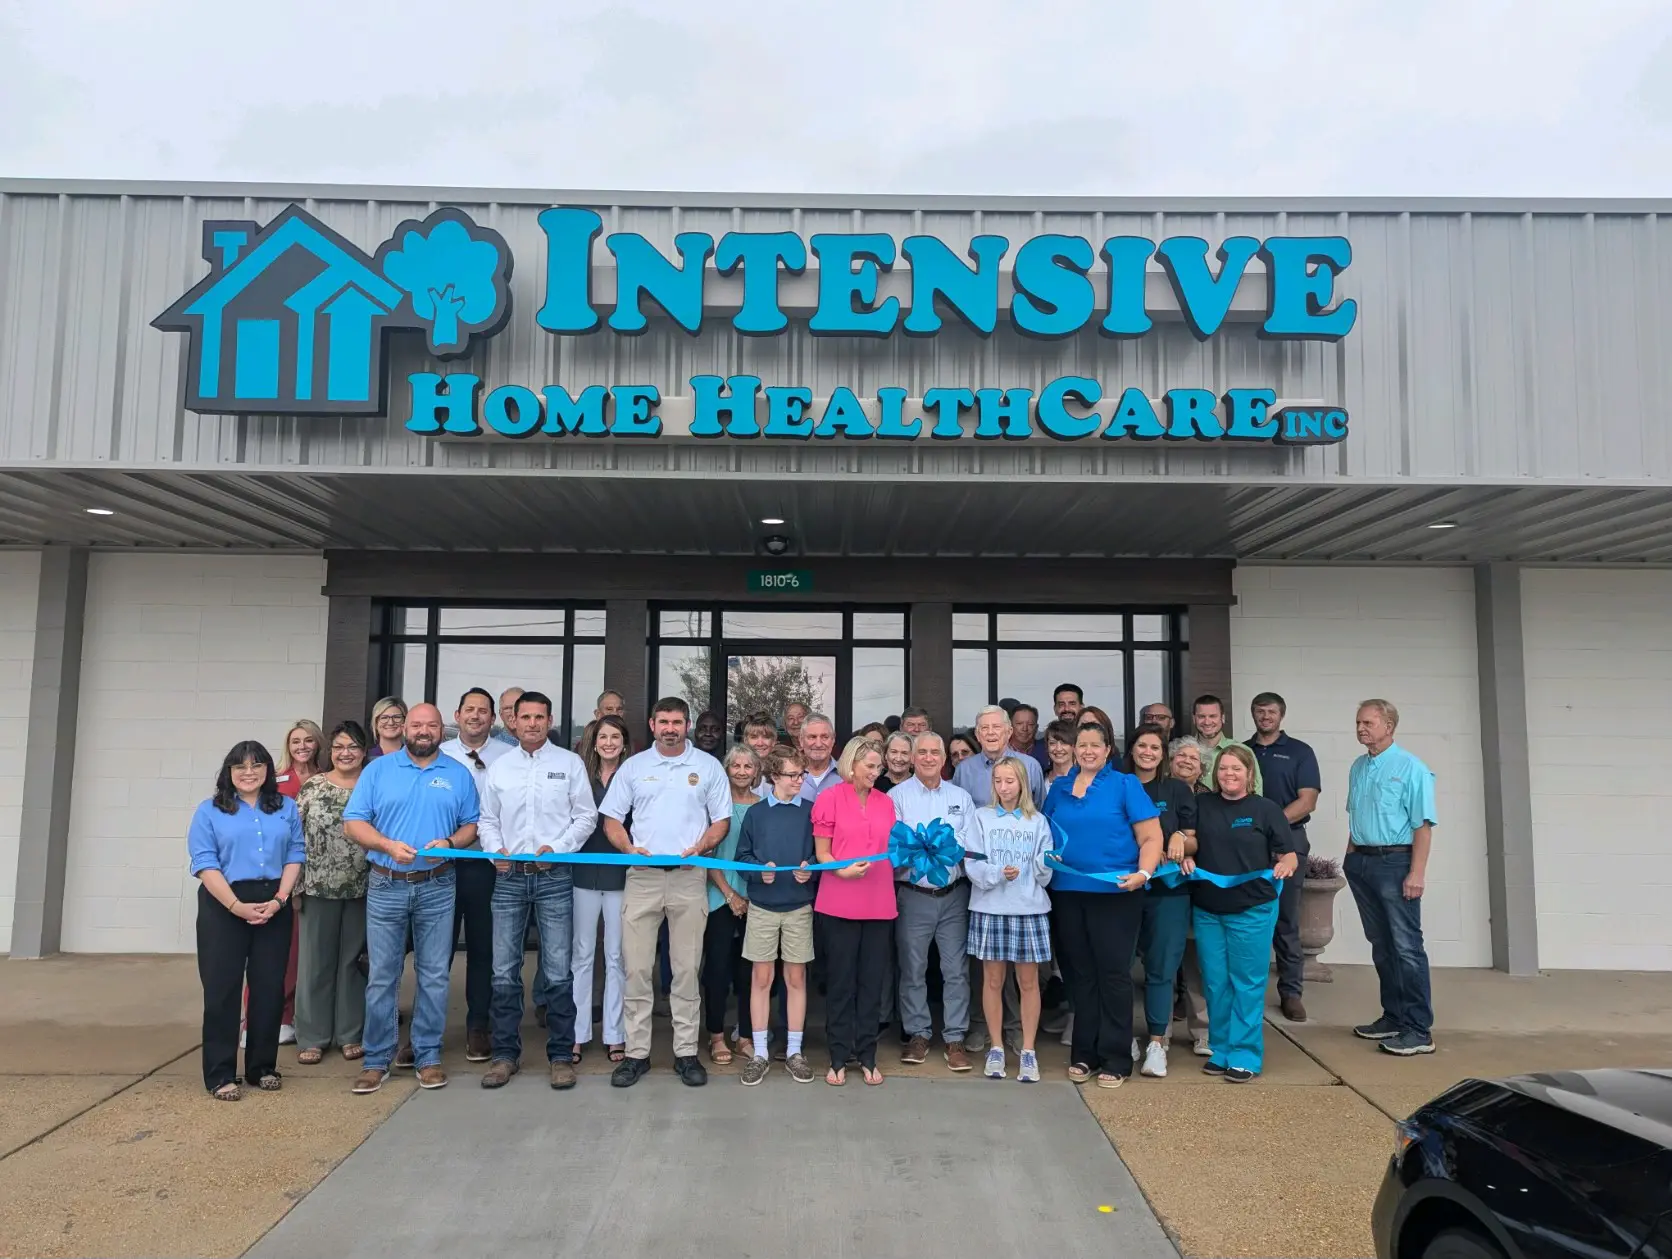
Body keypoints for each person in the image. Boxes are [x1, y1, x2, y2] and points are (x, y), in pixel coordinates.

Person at [343, 703, 480, 1095]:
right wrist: (385, 844)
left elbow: (472, 824)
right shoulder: (378, 771)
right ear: (405, 728)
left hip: (438, 884)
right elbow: (354, 823)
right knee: (383, 976)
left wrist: (452, 842)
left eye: (431, 725)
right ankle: (376, 1060)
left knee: (435, 974)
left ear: (442, 730)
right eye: (417, 724)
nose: (424, 731)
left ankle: (428, 1055)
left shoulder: (457, 774)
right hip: (386, 883)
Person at [602, 697, 732, 1089]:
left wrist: (703, 846)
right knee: (638, 969)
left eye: (678, 722)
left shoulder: (707, 767)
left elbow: (721, 820)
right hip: (642, 877)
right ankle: (637, 1055)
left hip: (690, 876)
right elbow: (611, 818)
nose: (671, 728)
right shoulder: (635, 767)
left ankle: (686, 1053)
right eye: (664, 722)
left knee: (686, 969)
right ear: (652, 724)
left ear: (687, 724)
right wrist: (627, 848)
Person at [476, 691, 595, 1091]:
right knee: (504, 971)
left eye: (538, 717)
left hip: (554, 876)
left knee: (559, 970)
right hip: (508, 878)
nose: (531, 723)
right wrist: (496, 852)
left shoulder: (570, 763)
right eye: (524, 717)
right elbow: (487, 819)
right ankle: (504, 1056)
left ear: (549, 720)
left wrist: (557, 849)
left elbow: (585, 817)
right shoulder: (500, 767)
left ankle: (561, 1057)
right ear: (513, 721)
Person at [1043, 721, 1163, 1088]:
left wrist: (1143, 874)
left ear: (1108, 749)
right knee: (1080, 974)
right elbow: (1045, 834)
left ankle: (1116, 1056)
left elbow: (1151, 836)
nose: (1089, 750)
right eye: (1083, 744)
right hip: (1067, 893)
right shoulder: (1060, 788)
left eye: (1096, 744)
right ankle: (1084, 1053)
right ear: (1074, 749)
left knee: (1112, 974)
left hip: (1116, 894)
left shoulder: (1124, 784)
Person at [189, 741, 304, 1100]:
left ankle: (262, 1066)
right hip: (224, 904)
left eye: (256, 765)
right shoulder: (209, 811)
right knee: (222, 990)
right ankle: (221, 1074)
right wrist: (236, 906)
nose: (248, 772)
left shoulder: (285, 807)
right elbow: (205, 863)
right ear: (229, 772)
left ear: (268, 770)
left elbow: (295, 853)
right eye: (240, 766)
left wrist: (280, 899)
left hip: (274, 901)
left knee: (269, 988)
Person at [1181, 744, 1298, 1082]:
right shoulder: (1202, 805)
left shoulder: (1266, 809)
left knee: (1246, 983)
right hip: (1208, 911)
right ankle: (1220, 1049)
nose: (1228, 774)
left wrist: (1286, 864)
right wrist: (1186, 856)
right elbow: (1189, 842)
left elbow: (1286, 854)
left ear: (1249, 774)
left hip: (1252, 910)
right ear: (1214, 773)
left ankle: (1245, 1054)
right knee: (1216, 984)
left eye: (1236, 768)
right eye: (1223, 768)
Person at [1345, 699, 1437, 1057]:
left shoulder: (1411, 768)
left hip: (1396, 863)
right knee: (1381, 943)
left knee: (1406, 947)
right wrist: (1350, 857)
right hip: (1363, 863)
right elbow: (1356, 815)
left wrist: (1417, 873)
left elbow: (1423, 827)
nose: (1361, 729)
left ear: (1389, 725)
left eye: (1368, 722)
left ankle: (1418, 1029)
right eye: (1358, 723)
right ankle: (1393, 1016)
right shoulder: (1358, 766)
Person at [888, 732, 976, 1073]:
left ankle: (955, 1038)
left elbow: (967, 841)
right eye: (921, 752)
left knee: (955, 971)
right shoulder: (896, 797)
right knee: (912, 970)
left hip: (954, 897)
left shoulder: (961, 797)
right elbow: (895, 845)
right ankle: (919, 1034)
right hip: (913, 897)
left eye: (934, 752)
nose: (927, 758)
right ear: (911, 758)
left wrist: (940, 846)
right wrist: (923, 848)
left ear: (944, 758)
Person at [813, 736, 898, 1086]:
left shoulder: (886, 803)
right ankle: (837, 1056)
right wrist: (841, 870)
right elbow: (822, 853)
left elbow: (895, 848)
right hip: (838, 901)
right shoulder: (829, 798)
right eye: (870, 766)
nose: (876, 773)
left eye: (879, 767)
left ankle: (867, 1054)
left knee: (872, 983)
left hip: (879, 903)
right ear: (851, 764)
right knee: (840, 983)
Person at [965, 756, 1055, 1083]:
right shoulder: (981, 817)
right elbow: (972, 865)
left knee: (1028, 982)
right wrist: (997, 874)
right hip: (990, 908)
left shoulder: (1038, 822)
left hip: (1029, 910)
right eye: (998, 781)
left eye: (1010, 781)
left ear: (1023, 784)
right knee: (992, 981)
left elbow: (1044, 875)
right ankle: (997, 1047)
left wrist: (1048, 864)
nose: (1004, 788)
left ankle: (1028, 1050)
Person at [735, 745, 818, 1085]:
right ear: (773, 777)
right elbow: (743, 858)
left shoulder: (810, 811)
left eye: (801, 774)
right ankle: (759, 1053)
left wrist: (810, 869)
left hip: (798, 905)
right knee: (761, 979)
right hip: (762, 907)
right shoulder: (756, 814)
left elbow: (820, 854)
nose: (799, 780)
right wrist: (758, 872)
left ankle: (795, 1051)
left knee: (796, 979)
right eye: (792, 775)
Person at [440, 687, 512, 1063]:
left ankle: (478, 1026)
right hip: (442, 866)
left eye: (483, 711)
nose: (476, 716)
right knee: (437, 952)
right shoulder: (439, 755)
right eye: (469, 710)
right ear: (457, 714)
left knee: (484, 950)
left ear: (493, 720)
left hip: (487, 866)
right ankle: (428, 1030)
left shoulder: (508, 756)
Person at [294, 721, 371, 1066]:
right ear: (331, 751)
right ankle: (312, 1036)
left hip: (364, 888)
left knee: (353, 963)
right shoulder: (313, 787)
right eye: (339, 746)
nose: (345, 753)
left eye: (352, 746)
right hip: (317, 887)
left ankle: (350, 1033)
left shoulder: (373, 786)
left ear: (364, 751)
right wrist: (294, 888)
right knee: (316, 964)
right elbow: (294, 839)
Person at [1125, 724, 1197, 1079]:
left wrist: (1182, 837)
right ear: (1132, 749)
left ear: (1163, 754)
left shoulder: (1177, 789)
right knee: (1119, 968)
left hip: (1168, 892)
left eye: (1155, 747)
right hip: (1123, 890)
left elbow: (1195, 838)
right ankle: (1123, 1037)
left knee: (1161, 969)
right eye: (1142, 745)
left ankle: (1157, 1042)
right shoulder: (1118, 785)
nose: (1148, 752)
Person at [1248, 691, 1322, 1023]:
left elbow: (1307, 801)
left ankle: (1291, 993)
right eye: (1260, 711)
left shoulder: (1299, 752)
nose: (1265, 717)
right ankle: (1247, 993)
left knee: (1286, 919)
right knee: (1247, 918)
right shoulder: (1243, 751)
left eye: (1271, 712)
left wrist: (1272, 824)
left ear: (1282, 716)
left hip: (1287, 842)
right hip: (1247, 843)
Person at [572, 714, 631, 1064]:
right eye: (603, 737)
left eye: (615, 737)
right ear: (594, 742)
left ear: (624, 742)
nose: (609, 742)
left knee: (616, 956)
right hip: (583, 872)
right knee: (582, 955)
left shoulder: (635, 775)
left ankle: (615, 1034)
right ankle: (577, 1034)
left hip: (622, 874)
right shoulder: (580, 776)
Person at [703, 745, 759, 1065]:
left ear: (756, 771)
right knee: (717, 970)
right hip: (719, 897)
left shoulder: (764, 807)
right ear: (726, 769)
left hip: (754, 901)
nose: (740, 771)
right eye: (735, 765)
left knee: (748, 971)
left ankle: (746, 1035)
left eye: (747, 766)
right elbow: (707, 855)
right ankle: (716, 1035)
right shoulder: (715, 807)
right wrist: (729, 894)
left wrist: (748, 896)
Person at [270, 718, 325, 1045]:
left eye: (308, 740)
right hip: (284, 872)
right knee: (280, 951)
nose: (302, 747)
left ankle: (302, 1016)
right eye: (295, 742)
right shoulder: (274, 781)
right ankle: (270, 1016)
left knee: (308, 952)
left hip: (319, 874)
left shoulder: (327, 779)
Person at [956, 706, 1045, 805]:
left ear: (1009, 732)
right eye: (984, 728)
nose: (990, 732)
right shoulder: (963, 770)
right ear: (977, 735)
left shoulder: (1030, 766)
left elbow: (1039, 809)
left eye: (996, 727)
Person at [1192, 694, 1262, 795]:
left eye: (1213, 716)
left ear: (1223, 718)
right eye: (1201, 716)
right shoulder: (1184, 751)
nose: (1207, 722)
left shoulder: (1242, 750)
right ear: (1194, 719)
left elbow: (1256, 792)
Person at [796, 711, 842, 802]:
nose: (818, 744)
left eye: (825, 737)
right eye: (812, 737)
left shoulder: (846, 776)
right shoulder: (786, 775)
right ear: (801, 740)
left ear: (833, 740)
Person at [1042, 718, 1078, 792]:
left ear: (1074, 746)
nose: (1058, 749)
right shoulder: (1041, 777)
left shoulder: (1084, 778)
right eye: (1052, 743)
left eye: (1064, 743)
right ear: (1047, 746)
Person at [1009, 703, 1047, 771]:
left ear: (1036, 728)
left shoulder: (1047, 751)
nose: (1025, 729)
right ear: (1010, 726)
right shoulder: (1000, 751)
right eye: (1019, 724)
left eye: (1030, 724)